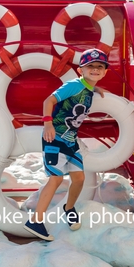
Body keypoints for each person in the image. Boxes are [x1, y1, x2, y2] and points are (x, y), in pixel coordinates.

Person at [23, 48, 109, 241]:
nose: (95, 70)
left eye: (99, 67)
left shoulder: (86, 88)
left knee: (79, 178)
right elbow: (49, 100)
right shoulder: (73, 85)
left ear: (104, 72)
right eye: (90, 67)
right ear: (81, 70)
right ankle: (35, 221)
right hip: (55, 138)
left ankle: (68, 208)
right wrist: (47, 124)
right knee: (56, 179)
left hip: (71, 140)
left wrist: (95, 88)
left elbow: (86, 86)